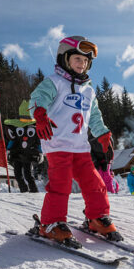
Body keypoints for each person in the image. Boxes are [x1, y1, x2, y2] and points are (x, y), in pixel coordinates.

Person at [30, 36, 121, 243]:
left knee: (94, 183)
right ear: (64, 58)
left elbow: (94, 116)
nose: (82, 64)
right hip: (57, 145)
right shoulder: (54, 82)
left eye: (86, 62)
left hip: (80, 147)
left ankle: (97, 217)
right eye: (78, 59)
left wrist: (103, 133)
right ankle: (50, 223)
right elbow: (38, 98)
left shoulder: (88, 89)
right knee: (60, 185)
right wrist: (40, 113)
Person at [4, 100, 41, 193]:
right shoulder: (17, 128)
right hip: (17, 153)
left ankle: (34, 191)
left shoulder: (34, 128)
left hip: (28, 154)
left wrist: (40, 152)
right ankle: (24, 191)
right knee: (17, 175)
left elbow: (38, 142)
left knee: (28, 175)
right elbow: (13, 139)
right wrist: (8, 150)